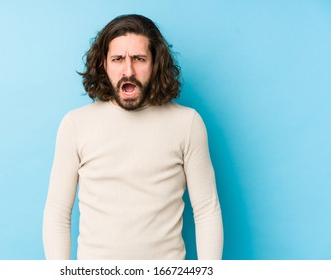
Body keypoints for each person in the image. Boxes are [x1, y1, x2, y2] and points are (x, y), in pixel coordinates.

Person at [43, 14, 223, 260]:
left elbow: (206, 210)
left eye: (139, 59)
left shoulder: (187, 123)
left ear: (155, 63)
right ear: (104, 64)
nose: (128, 71)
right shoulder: (75, 124)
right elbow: (57, 212)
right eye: (118, 59)